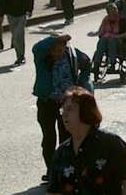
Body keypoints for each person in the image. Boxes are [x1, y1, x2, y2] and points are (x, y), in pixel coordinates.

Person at [32, 34, 92, 182]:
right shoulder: (42, 56)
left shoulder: (71, 54)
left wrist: (82, 84)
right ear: (50, 50)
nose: (58, 54)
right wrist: (55, 38)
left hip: (66, 103)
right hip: (47, 101)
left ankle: (65, 168)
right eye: (55, 51)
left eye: (61, 50)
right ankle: (51, 170)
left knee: (66, 137)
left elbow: (87, 63)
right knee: (48, 137)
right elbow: (36, 47)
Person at [0, 0, 34, 65]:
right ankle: (19, 55)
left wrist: (30, 10)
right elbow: (2, 3)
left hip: (21, 14)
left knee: (19, 35)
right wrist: (1, 14)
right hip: (11, 15)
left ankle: (21, 56)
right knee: (15, 37)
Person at [92, 4, 126, 81]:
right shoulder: (106, 19)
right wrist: (102, 34)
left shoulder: (122, 20)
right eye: (111, 11)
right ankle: (96, 65)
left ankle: (112, 63)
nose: (114, 12)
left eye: (115, 10)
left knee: (112, 41)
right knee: (102, 41)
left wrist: (115, 36)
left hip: (119, 40)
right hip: (106, 40)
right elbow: (101, 31)